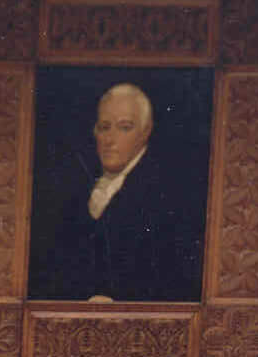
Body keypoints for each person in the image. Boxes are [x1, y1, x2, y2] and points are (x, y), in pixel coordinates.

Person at [36, 83, 200, 303]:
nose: (109, 139)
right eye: (104, 127)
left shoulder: (167, 197)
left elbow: (175, 283)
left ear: (145, 132)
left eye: (124, 127)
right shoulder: (78, 193)